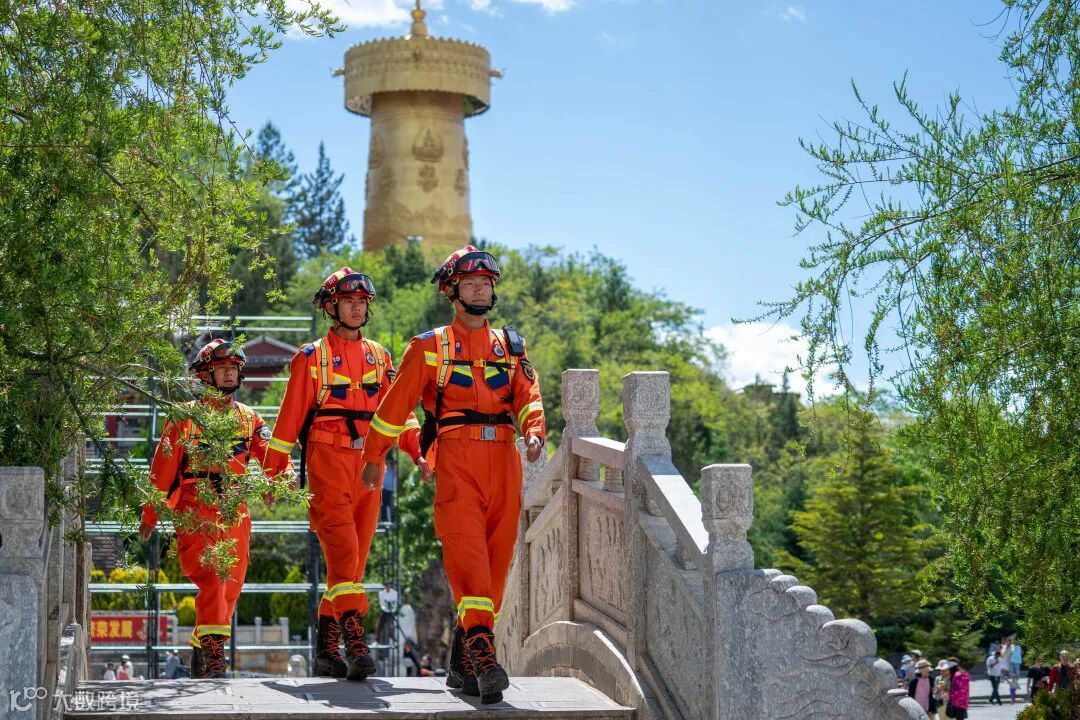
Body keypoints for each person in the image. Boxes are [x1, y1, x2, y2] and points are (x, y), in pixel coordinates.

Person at [360, 246, 546, 704]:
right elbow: (394, 408)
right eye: (470, 284)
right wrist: (374, 456)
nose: (480, 290)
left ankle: (463, 660)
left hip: (505, 459)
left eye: (486, 283)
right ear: (451, 291)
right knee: (468, 557)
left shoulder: (511, 345)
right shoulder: (429, 347)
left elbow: (528, 394)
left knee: (497, 564)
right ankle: (484, 656)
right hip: (457, 459)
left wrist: (535, 430)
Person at [263, 268, 422, 682]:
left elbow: (399, 413)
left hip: (370, 465)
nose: (356, 307)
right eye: (348, 301)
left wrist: (419, 450)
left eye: (362, 302)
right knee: (344, 553)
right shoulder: (310, 357)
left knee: (351, 565)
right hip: (327, 462)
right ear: (331, 307)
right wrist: (272, 472)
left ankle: (325, 651)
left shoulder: (380, 357)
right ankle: (355, 643)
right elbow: (288, 420)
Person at [139, 339, 273, 679]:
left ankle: (203, 644)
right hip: (196, 509)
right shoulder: (184, 418)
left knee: (231, 586)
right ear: (205, 374)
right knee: (214, 579)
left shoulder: (250, 419)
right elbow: (162, 470)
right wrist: (150, 513)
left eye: (234, 368)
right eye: (222, 367)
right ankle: (215, 658)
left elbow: (271, 456)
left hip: (235, 511)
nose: (229, 373)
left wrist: (279, 481)